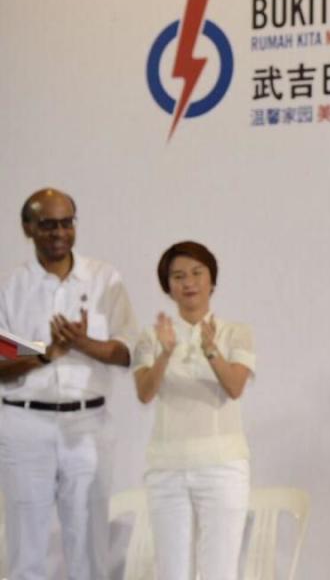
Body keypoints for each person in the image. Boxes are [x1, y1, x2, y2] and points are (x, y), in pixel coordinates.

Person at [0, 188, 137, 580]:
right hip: (25, 425)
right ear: (28, 228)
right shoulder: (11, 286)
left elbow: (128, 351)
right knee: (27, 549)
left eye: (66, 223)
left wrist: (82, 344)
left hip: (88, 424)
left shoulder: (103, 279)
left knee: (90, 547)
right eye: (47, 224)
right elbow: (2, 358)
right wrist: (45, 352)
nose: (59, 232)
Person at [133, 241, 255, 580]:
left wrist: (211, 349)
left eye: (197, 273)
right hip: (166, 469)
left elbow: (234, 387)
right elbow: (144, 393)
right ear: (167, 287)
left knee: (220, 571)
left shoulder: (236, 333)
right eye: (178, 276)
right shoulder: (151, 335)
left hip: (222, 467)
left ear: (211, 281)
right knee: (171, 572)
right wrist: (165, 353)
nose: (189, 283)